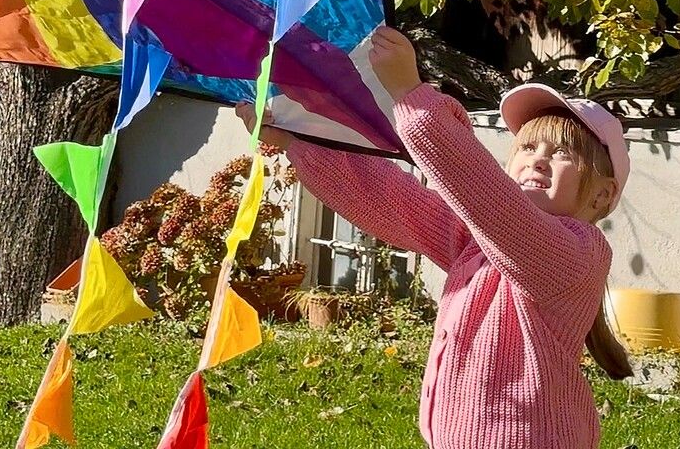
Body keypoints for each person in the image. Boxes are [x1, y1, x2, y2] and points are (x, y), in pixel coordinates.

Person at [236, 26, 632, 449]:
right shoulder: (479, 240)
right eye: (527, 147)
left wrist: (411, 94)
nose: (538, 160)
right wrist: (298, 142)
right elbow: (392, 200)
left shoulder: (578, 252)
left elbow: (482, 192)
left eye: (562, 153)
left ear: (603, 194)